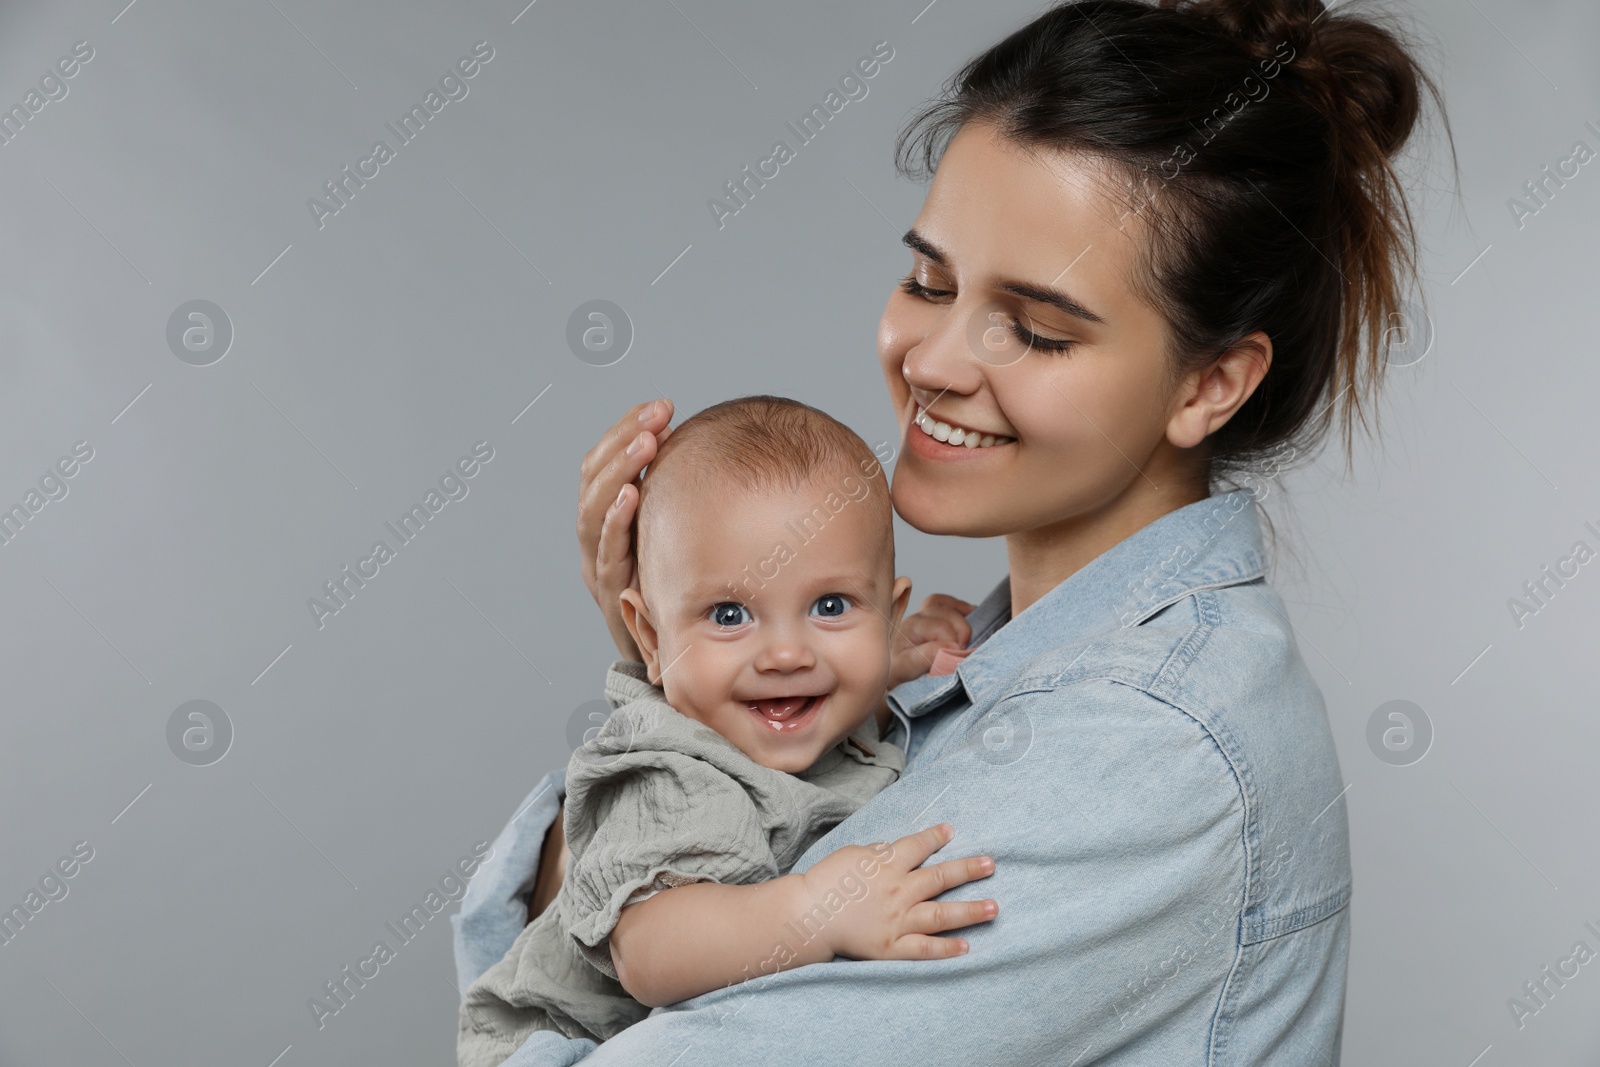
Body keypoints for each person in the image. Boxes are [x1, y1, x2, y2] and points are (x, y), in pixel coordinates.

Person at [452, 0, 1451, 1061]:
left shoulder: (1138, 753)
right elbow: (638, 937)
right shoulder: (960, 666)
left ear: (1210, 384)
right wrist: (682, 670)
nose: (931, 359)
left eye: (1033, 329)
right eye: (929, 280)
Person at [457, 397, 998, 1066]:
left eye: (831, 606)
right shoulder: (674, 772)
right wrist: (816, 909)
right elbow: (649, 951)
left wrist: (890, 665)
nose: (785, 654)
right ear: (649, 637)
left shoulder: (808, 706)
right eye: (730, 613)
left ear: (888, 615)